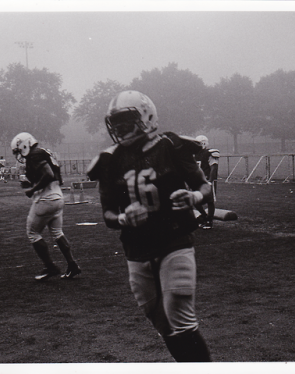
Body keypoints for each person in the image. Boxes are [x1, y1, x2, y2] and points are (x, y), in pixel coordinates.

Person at [87, 90, 212, 362]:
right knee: (163, 326)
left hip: (174, 241)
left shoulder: (171, 146)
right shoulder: (110, 160)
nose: (119, 129)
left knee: (180, 317)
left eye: (125, 121)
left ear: (147, 117)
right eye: (115, 123)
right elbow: (107, 213)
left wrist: (194, 196)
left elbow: (205, 186)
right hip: (136, 250)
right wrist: (122, 218)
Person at [11, 132, 81, 281]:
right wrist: (32, 184)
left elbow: (48, 174)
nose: (20, 155)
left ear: (24, 144)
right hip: (58, 195)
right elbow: (51, 175)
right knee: (57, 232)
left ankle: (50, 267)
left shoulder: (34, 154)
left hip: (46, 198)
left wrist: (32, 189)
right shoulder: (43, 151)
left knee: (33, 233)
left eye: (19, 150)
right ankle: (72, 264)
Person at [194, 135, 220, 230]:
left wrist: (210, 181)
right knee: (195, 200)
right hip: (198, 180)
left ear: (204, 143)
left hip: (207, 179)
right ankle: (205, 217)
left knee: (210, 201)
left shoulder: (209, 153)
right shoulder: (195, 154)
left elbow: (214, 168)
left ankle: (209, 221)